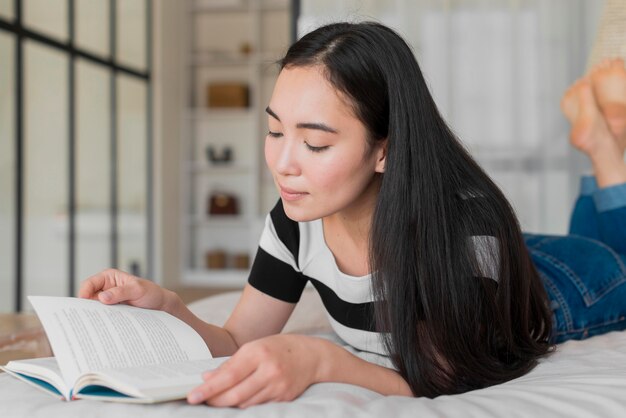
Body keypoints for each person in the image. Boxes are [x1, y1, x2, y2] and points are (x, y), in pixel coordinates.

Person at [79, 22, 626, 407]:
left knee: (616, 257)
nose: (283, 164)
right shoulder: (295, 220)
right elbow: (239, 339)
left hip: (565, 284)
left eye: (315, 144)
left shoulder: (465, 226)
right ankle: (603, 155)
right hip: (491, 261)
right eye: (274, 132)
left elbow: (444, 375)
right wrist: (169, 308)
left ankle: (604, 156)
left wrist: (320, 360)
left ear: (385, 149)